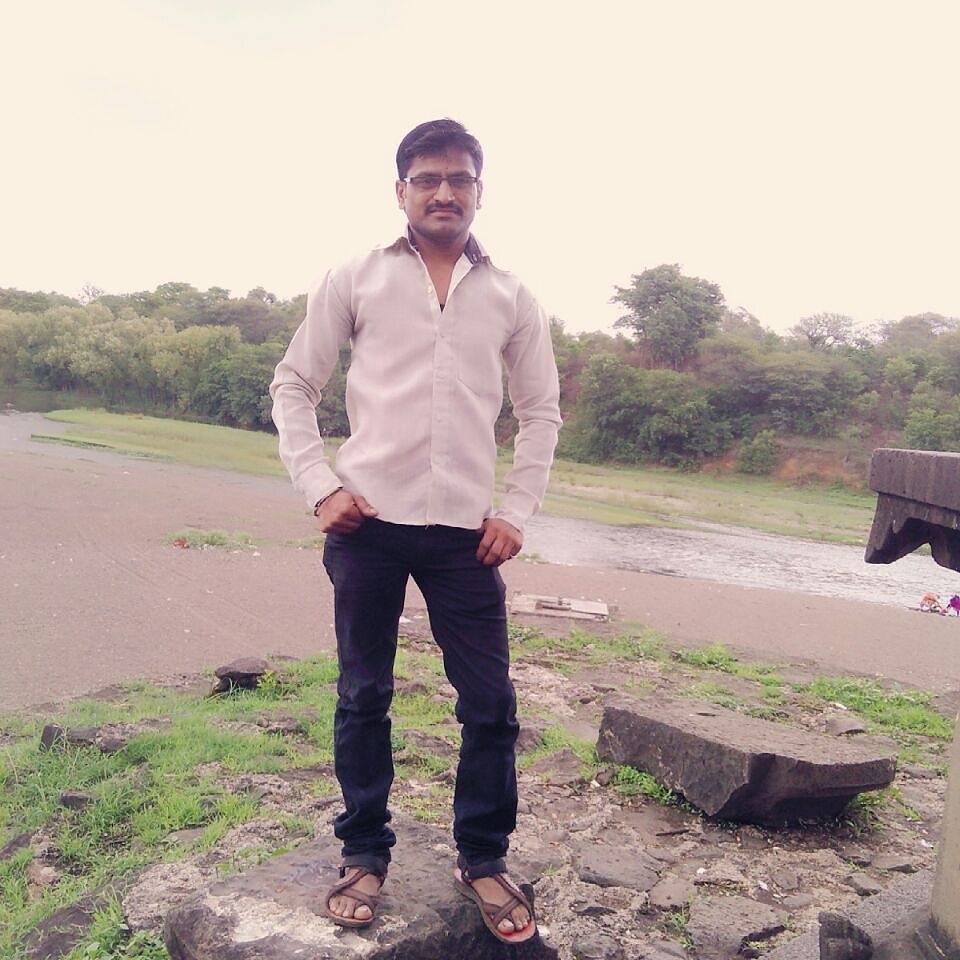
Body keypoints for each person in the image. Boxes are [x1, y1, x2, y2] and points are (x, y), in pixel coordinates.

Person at [269, 118, 561, 944]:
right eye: (427, 178)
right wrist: (319, 485)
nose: (444, 192)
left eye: (459, 178)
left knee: (491, 703)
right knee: (364, 694)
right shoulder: (356, 276)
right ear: (400, 190)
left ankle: (483, 856)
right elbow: (294, 384)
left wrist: (516, 511)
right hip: (366, 523)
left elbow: (541, 411)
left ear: (479, 191)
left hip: (468, 535)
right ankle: (364, 853)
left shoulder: (511, 296)